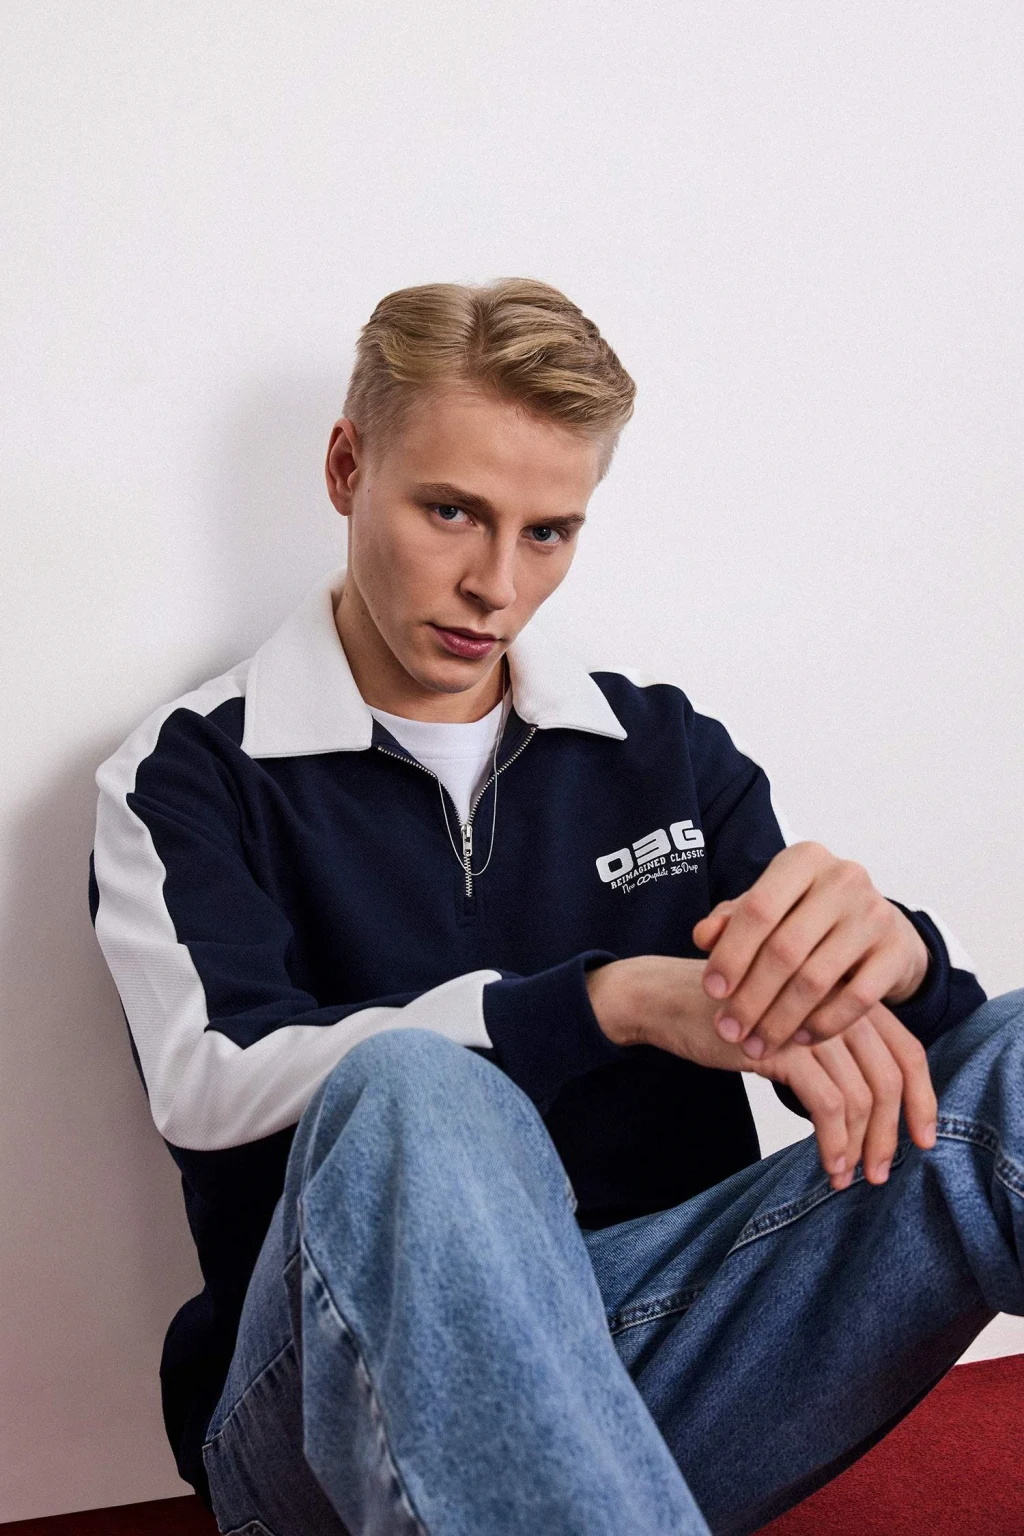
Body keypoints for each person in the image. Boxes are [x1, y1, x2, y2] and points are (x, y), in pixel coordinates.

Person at [88, 278, 1023, 1536]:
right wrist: (601, 1004)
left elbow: (916, 1093)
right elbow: (209, 1083)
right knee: (416, 1090)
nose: (496, 584)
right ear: (346, 467)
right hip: (330, 1413)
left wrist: (896, 961)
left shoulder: (663, 748)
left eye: (548, 533)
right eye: (452, 512)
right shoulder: (188, 772)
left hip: (665, 1349)